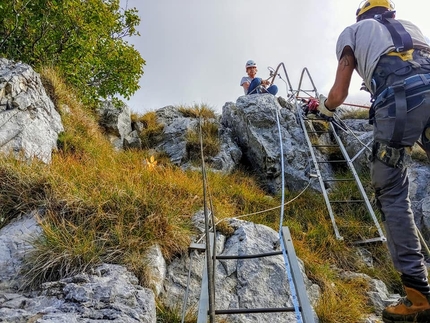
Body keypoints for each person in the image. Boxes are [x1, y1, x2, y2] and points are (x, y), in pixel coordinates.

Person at [314, 1, 430, 322]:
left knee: (392, 193)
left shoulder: (352, 32)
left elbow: (338, 94)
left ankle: (419, 297)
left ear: (361, 14)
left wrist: (324, 109)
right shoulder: (412, 27)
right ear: (389, 12)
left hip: (398, 103)